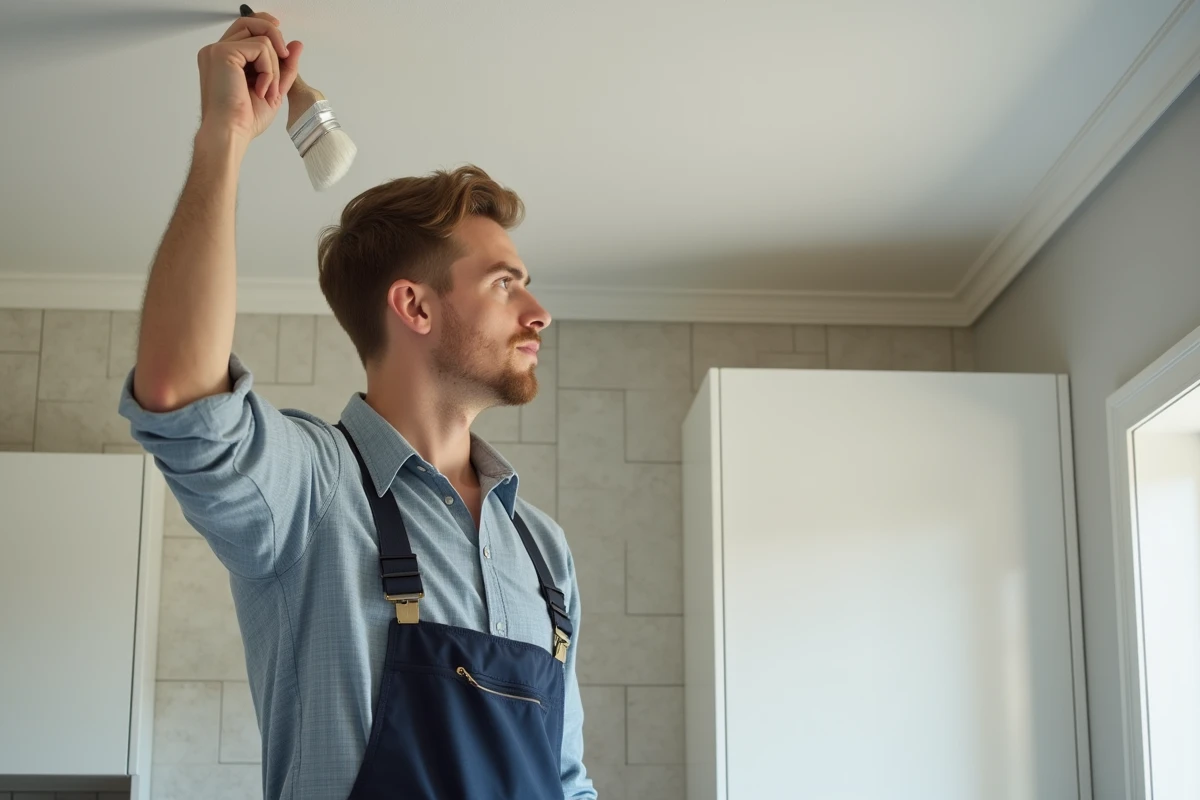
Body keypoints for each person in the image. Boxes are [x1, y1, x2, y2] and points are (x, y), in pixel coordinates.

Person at [118, 10, 596, 800]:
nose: (538, 311)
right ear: (415, 306)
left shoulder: (543, 552)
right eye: (505, 283)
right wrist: (224, 136)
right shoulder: (314, 491)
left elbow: (568, 781)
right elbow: (179, 397)